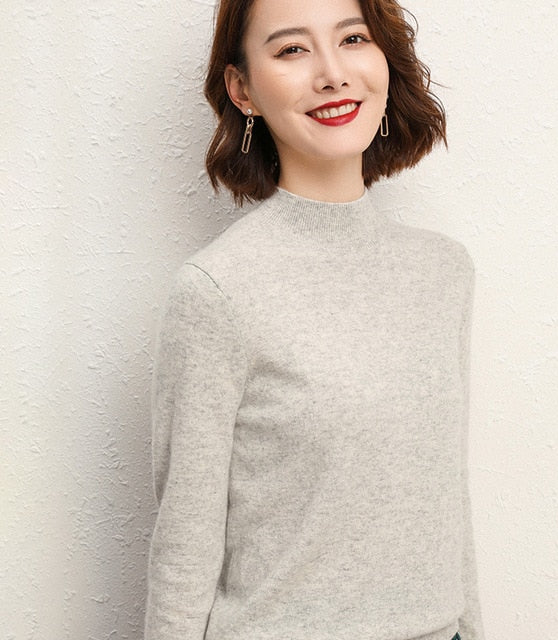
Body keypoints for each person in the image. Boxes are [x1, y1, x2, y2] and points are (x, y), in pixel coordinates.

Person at [144, 0, 484, 639]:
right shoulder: (218, 291)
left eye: (353, 39)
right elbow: (185, 543)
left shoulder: (444, 272)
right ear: (243, 89)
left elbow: (445, 500)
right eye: (292, 49)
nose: (332, 73)